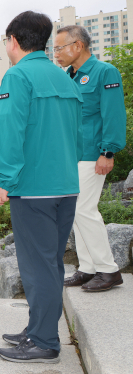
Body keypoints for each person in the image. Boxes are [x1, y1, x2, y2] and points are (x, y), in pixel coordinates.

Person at [0, 11, 84, 363]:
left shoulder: (17, 77)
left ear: (13, 40)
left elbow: (11, 132)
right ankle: (36, 328)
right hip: (65, 186)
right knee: (51, 264)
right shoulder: (66, 80)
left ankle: (45, 341)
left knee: (38, 267)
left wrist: (4, 180)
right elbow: (78, 135)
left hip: (32, 189)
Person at [54, 25, 127, 292]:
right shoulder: (68, 77)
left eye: (60, 48)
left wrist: (108, 152)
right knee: (75, 212)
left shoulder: (105, 72)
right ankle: (87, 268)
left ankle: (108, 270)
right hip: (71, 155)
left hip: (93, 154)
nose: (56, 53)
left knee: (85, 209)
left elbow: (114, 115)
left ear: (78, 46)